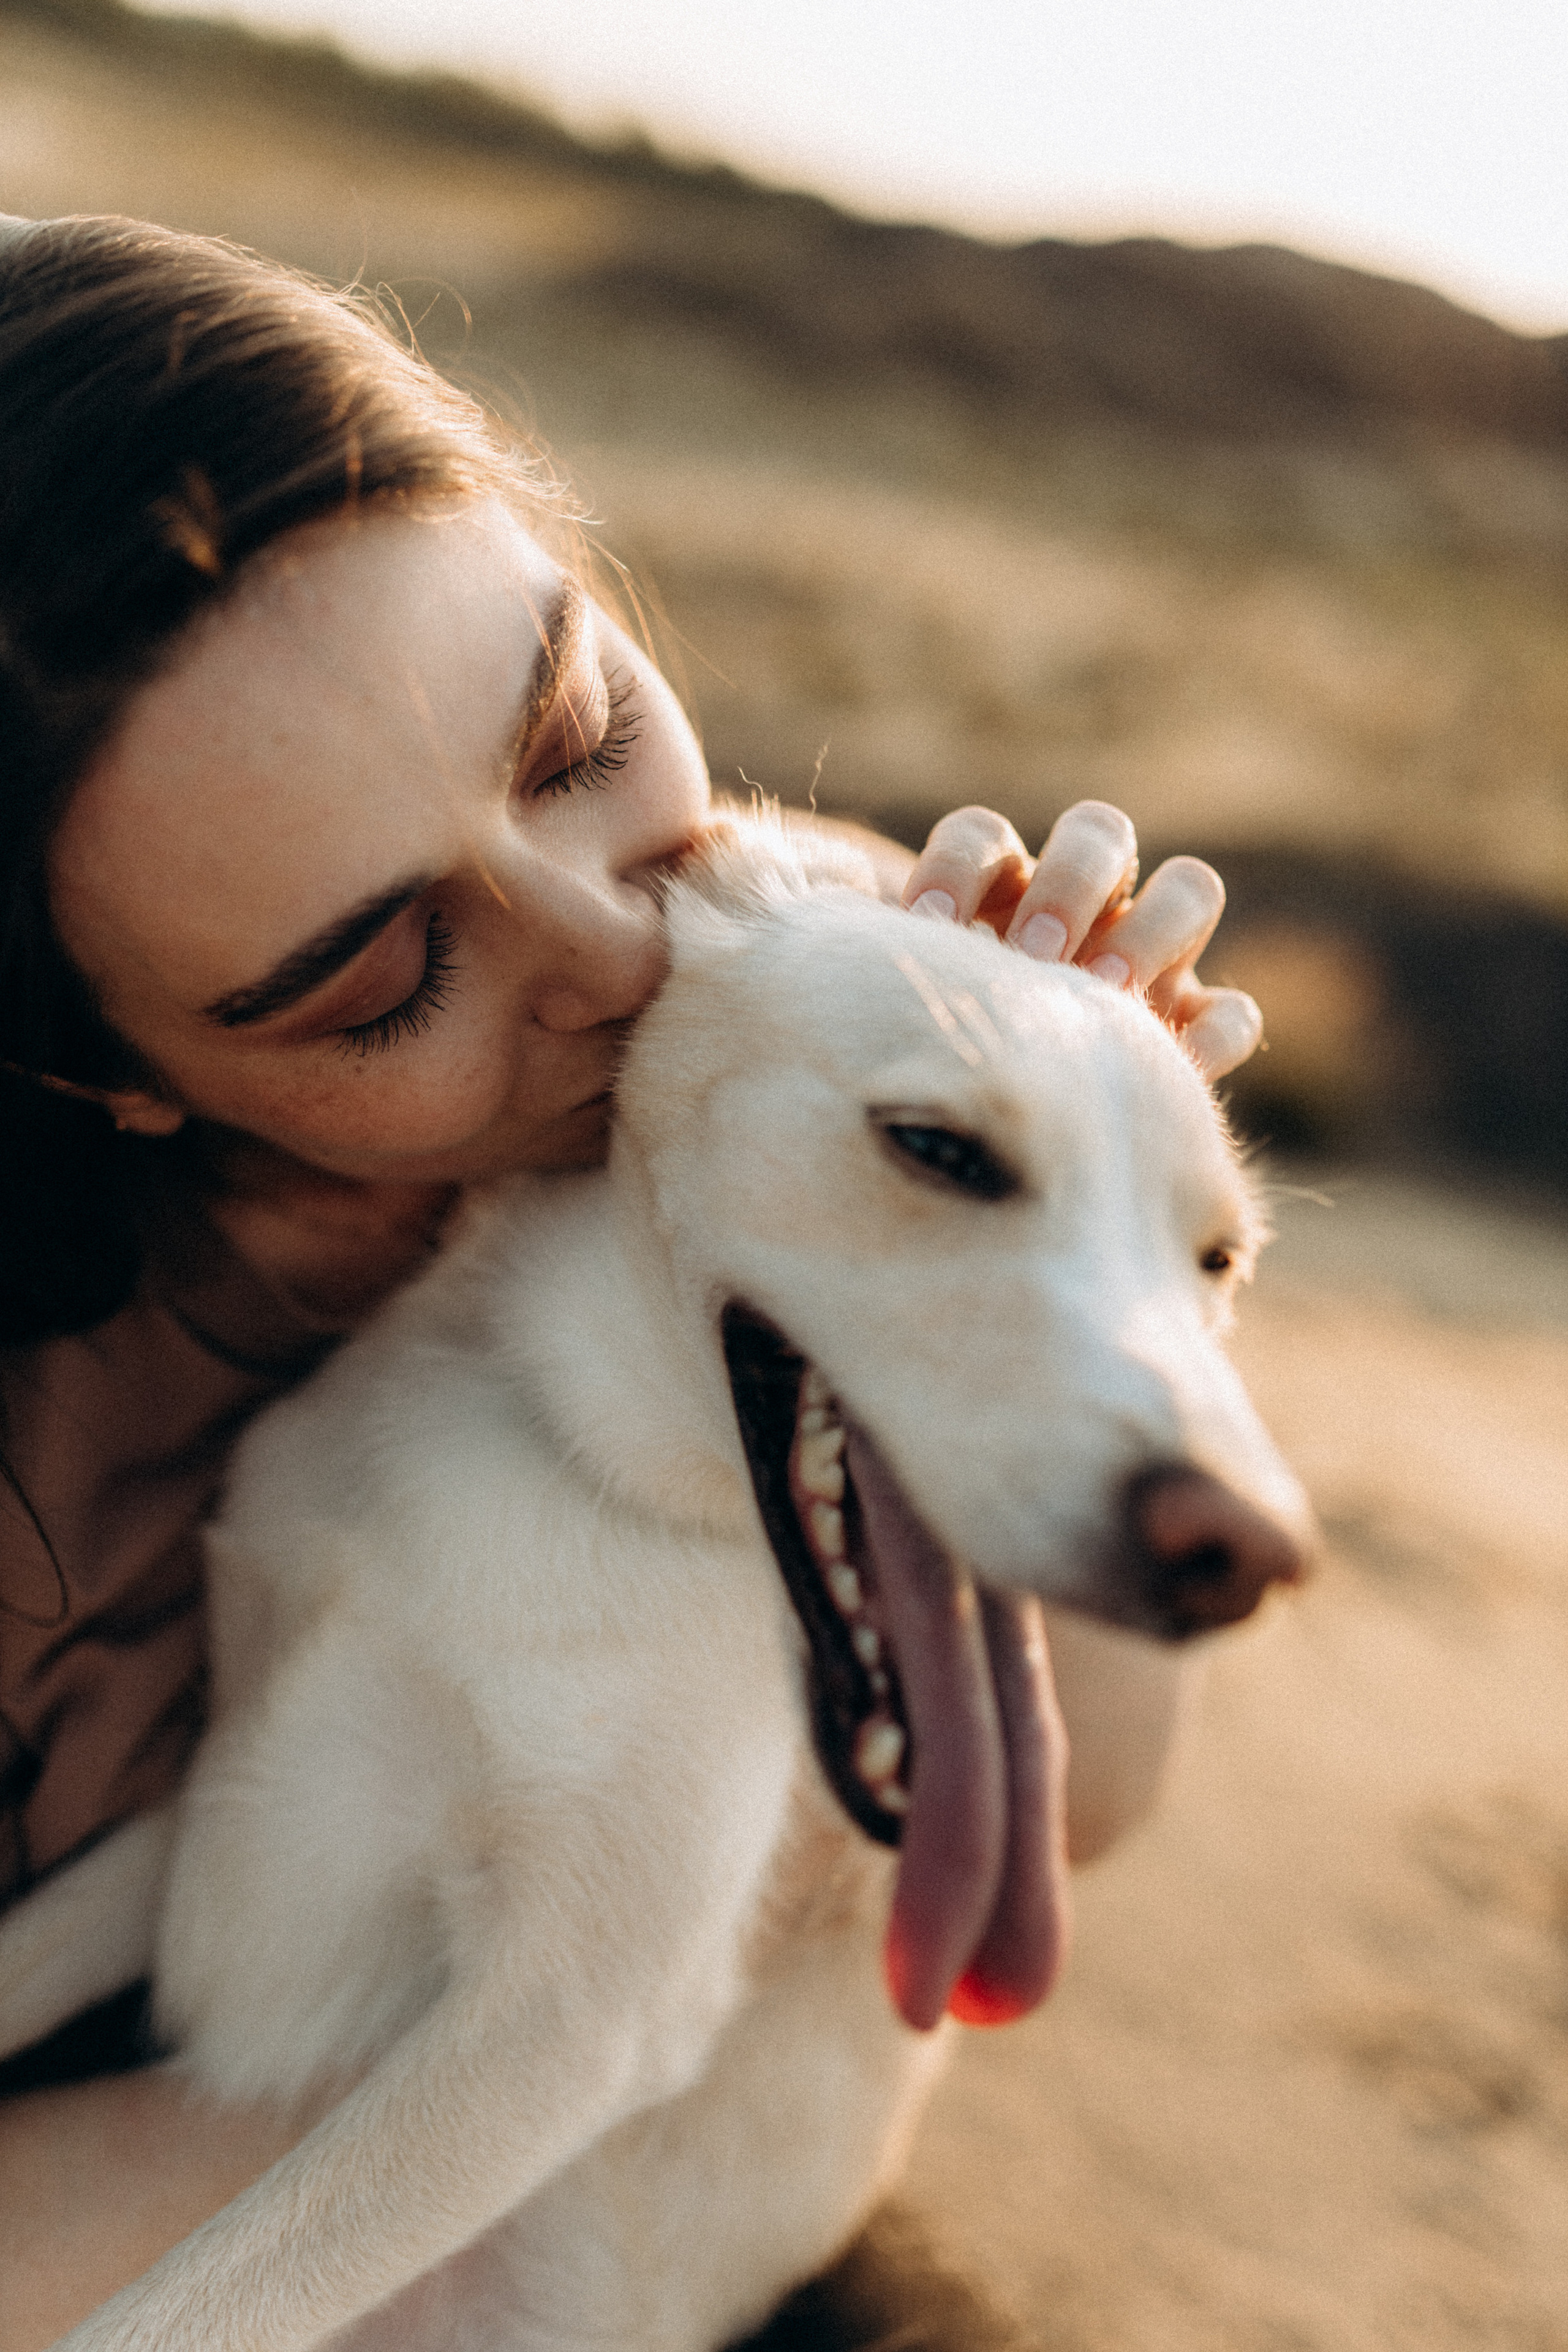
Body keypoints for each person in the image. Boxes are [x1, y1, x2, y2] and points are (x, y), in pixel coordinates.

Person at [0, 213, 1261, 2345]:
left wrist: (1087, 1214)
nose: (616, 951)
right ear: (97, 1072)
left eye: (579, 735)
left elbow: (1097, 1795)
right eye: (384, 977)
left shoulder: (817, 979)